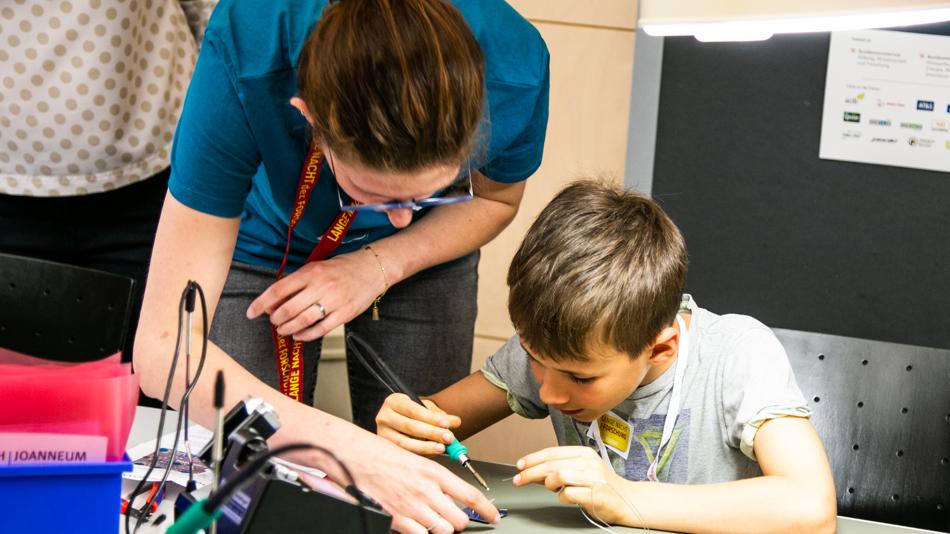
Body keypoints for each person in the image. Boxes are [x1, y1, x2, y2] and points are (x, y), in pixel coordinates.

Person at [134, 0, 548, 532]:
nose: (400, 218)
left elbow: (493, 200)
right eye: (372, 194)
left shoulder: (515, 68)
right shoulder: (250, 41)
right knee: (255, 476)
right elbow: (166, 350)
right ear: (309, 120)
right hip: (261, 239)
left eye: (428, 192)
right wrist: (348, 452)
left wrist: (380, 264)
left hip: (428, 256)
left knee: (415, 477)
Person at [375, 179, 838, 533]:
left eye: (580, 378)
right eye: (535, 358)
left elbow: (811, 507)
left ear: (660, 346)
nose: (550, 392)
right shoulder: (556, 347)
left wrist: (623, 497)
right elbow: (436, 420)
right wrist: (405, 426)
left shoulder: (737, 353)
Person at [0, 0, 214, 369]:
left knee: (161, 386)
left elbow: (217, 14)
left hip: (158, 175)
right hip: (9, 197)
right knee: (24, 411)